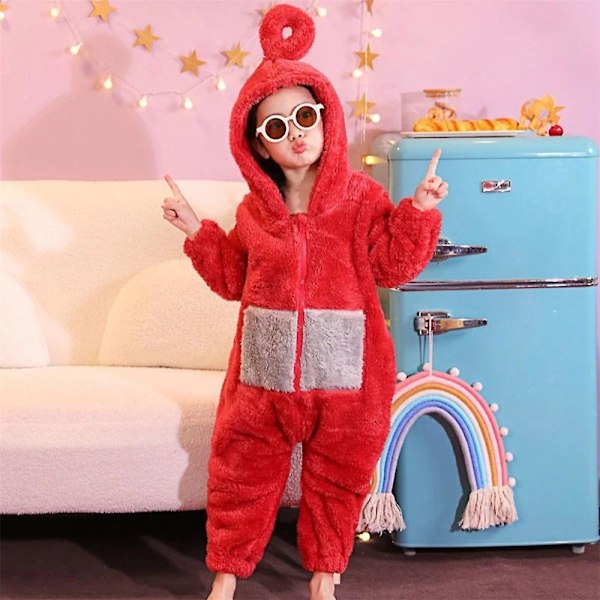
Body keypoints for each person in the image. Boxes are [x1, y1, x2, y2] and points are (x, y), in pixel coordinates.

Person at [161, 5, 447, 600]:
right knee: (240, 474)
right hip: (263, 378)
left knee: (338, 480)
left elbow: (393, 266)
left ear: (325, 118)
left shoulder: (361, 199)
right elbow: (232, 279)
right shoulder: (252, 213)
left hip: (349, 377)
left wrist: (418, 211)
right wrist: (196, 230)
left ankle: (324, 573)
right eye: (276, 127)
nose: (295, 132)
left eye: (305, 116)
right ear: (259, 148)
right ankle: (226, 575)